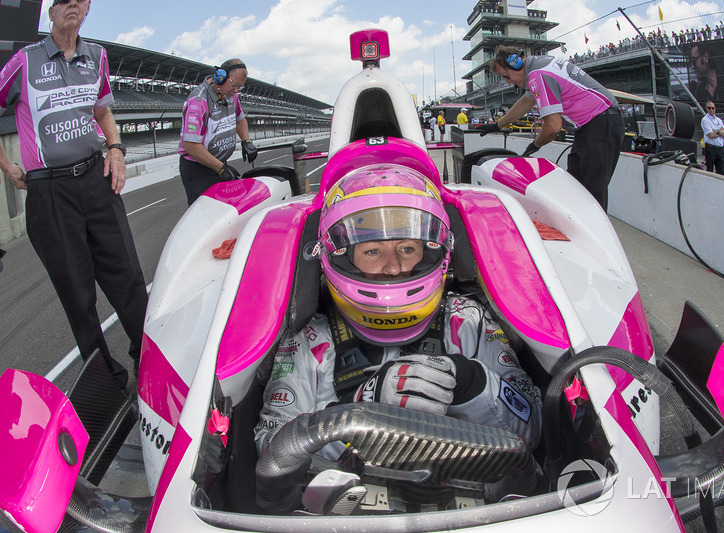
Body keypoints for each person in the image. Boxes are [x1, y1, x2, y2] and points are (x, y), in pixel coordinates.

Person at [254, 166, 542, 511]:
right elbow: (273, 451)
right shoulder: (311, 338)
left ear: (435, 250)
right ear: (339, 256)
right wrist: (361, 409)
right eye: (372, 251)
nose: (393, 268)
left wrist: (470, 383)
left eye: (407, 248)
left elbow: (533, 429)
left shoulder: (466, 320)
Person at [0, 0, 148, 388]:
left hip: (95, 178)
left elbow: (102, 111)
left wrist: (115, 148)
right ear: (50, 13)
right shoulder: (23, 61)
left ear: (86, 9)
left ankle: (148, 358)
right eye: (62, 1)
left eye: (78, 0)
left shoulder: (97, 56)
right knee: (78, 297)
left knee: (129, 279)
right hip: (49, 192)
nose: (71, 6)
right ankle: (108, 382)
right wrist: (8, 167)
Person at [480, 46, 624, 211]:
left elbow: (554, 126)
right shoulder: (538, 66)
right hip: (593, 124)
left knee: (592, 191)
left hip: (601, 121)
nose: (508, 81)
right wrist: (497, 125)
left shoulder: (537, 75)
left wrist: (535, 145)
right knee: (577, 184)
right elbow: (526, 101)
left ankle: (598, 233)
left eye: (506, 76)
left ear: (516, 63)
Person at [178, 58, 258, 205]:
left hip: (217, 164)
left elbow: (239, 120)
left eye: (239, 87)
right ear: (219, 77)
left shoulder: (231, 96)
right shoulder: (198, 102)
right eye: (234, 85)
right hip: (198, 168)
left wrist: (246, 141)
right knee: (207, 212)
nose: (235, 91)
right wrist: (221, 169)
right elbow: (191, 146)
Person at [701, 100, 724, 175]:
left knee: (721, 172)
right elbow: (711, 135)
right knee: (710, 170)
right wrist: (720, 133)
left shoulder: (719, 120)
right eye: (709, 108)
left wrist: (717, 132)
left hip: (719, 148)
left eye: (713, 108)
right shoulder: (705, 120)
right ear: (706, 109)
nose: (711, 110)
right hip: (710, 148)